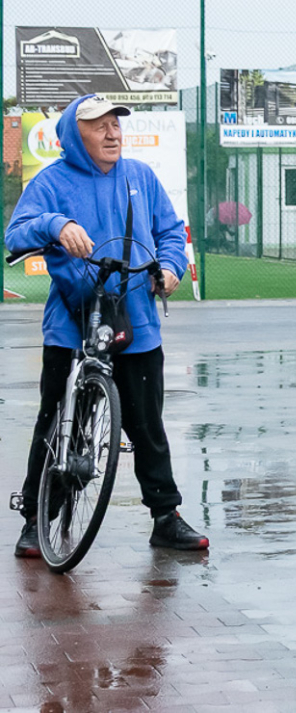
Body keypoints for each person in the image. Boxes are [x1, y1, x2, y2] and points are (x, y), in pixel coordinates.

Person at [6, 94, 206, 556]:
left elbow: (172, 232)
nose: (113, 132)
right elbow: (15, 234)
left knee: (147, 425)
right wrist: (56, 225)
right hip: (71, 324)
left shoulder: (141, 177)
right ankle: (38, 519)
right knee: (55, 422)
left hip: (136, 322)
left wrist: (171, 266)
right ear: (75, 135)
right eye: (99, 126)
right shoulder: (51, 181)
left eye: (116, 123)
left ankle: (165, 517)